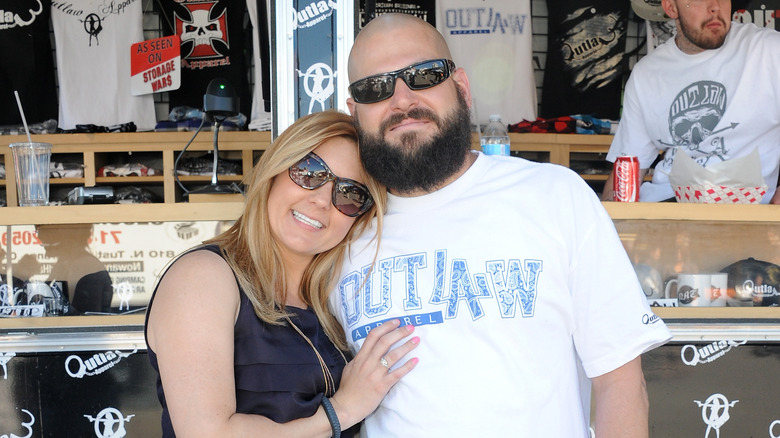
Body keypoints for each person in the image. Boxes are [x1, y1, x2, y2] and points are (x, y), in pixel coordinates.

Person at [328, 13, 672, 437]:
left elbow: (619, 381)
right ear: (354, 111)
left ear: (462, 88)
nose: (401, 99)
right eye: (375, 87)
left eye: (423, 75)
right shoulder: (339, 233)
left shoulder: (554, 196)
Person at [144, 110, 420, 437]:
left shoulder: (329, 302)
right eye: (309, 172)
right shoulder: (203, 277)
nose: (320, 201)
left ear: (358, 217)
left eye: (348, 194)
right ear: (275, 169)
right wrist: (343, 410)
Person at [602, 0, 780, 204]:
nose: (715, 7)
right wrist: (611, 219)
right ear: (671, 8)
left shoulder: (769, 51)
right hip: (666, 211)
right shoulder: (647, 73)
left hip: (748, 213)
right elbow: (627, 168)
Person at [36, 224, 113, 314]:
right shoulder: (65, 263)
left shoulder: (86, 266)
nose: (44, 247)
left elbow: (87, 317)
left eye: (46, 242)